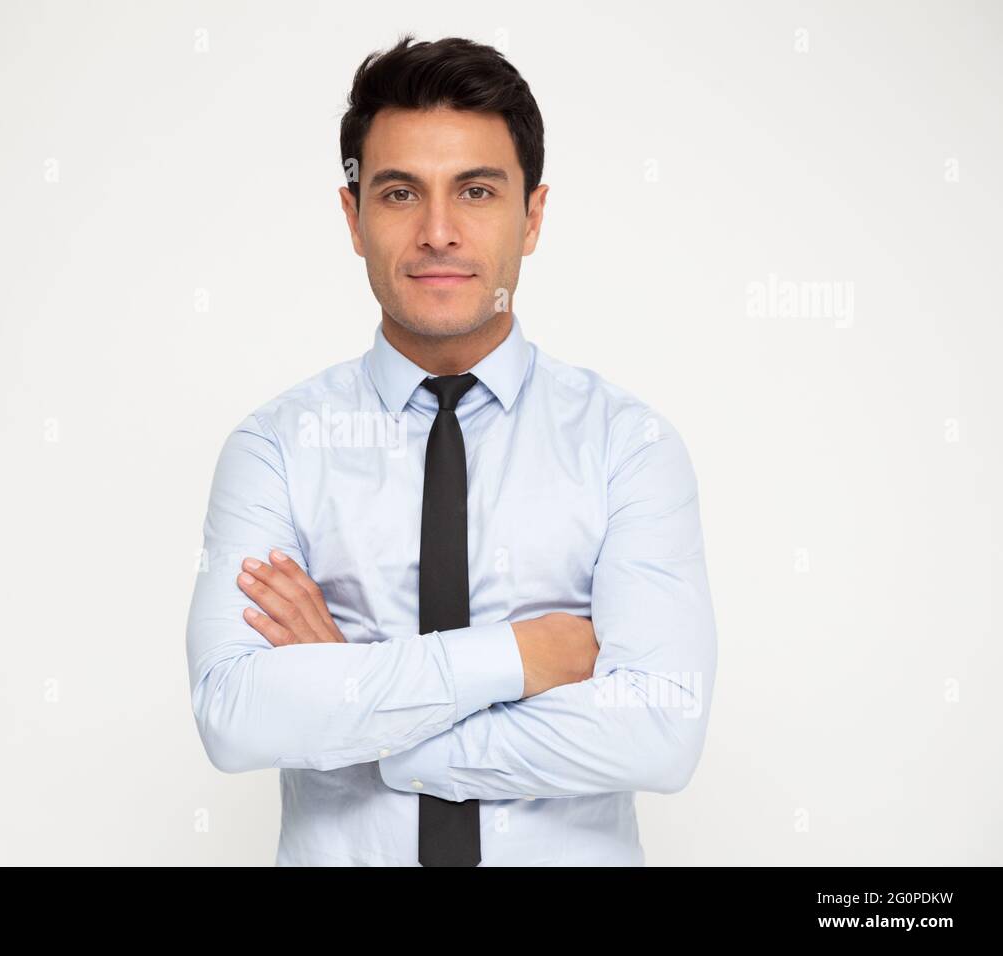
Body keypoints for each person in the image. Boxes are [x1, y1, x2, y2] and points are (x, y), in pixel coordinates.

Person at [185, 34, 717, 866]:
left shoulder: (627, 446)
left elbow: (658, 731)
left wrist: (361, 701)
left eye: (475, 190)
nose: (438, 231)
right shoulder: (276, 449)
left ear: (532, 217)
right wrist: (522, 656)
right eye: (399, 193)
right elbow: (235, 715)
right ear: (353, 218)